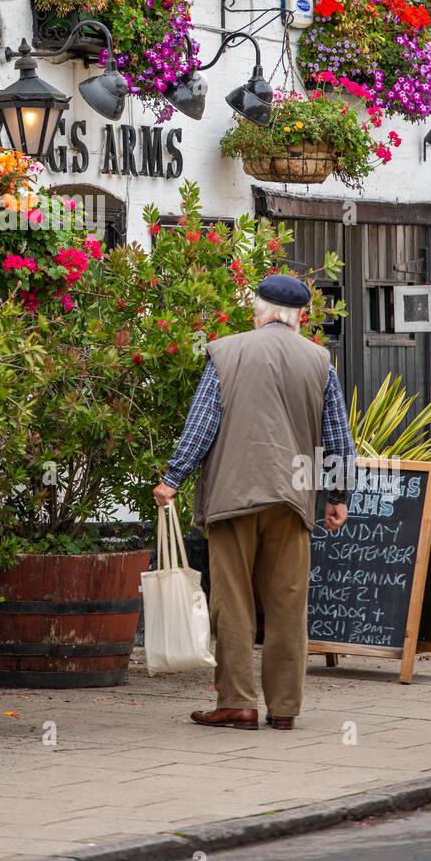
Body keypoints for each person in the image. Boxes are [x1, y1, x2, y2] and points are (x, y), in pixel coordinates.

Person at [153, 274, 355, 731]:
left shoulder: (226, 351)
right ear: (299, 317)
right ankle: (284, 709)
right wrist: (338, 496)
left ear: (259, 311)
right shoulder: (320, 360)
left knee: (233, 602)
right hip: (293, 499)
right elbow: (338, 437)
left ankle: (237, 703)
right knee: (288, 603)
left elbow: (201, 426)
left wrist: (172, 478)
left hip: (234, 495)